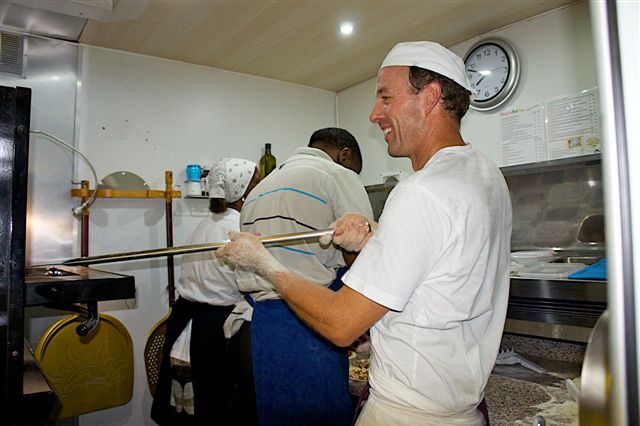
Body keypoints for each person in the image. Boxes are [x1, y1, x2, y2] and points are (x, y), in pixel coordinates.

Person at [216, 41, 512, 426]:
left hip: (408, 414)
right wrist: (374, 240)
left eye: (386, 99)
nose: (374, 115)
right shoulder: (487, 175)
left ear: (430, 97)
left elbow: (341, 325)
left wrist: (264, 263)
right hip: (460, 409)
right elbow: (443, 271)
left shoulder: (421, 191)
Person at [224, 127, 374, 426]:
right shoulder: (335, 174)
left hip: (263, 328)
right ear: (344, 155)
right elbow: (362, 256)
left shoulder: (259, 190)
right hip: (310, 323)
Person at [151, 158, 260, 426]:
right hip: (215, 331)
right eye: (256, 184)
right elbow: (253, 283)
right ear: (243, 190)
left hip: (186, 320)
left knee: (191, 412)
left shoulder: (207, 222)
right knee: (216, 408)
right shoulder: (239, 228)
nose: (259, 189)